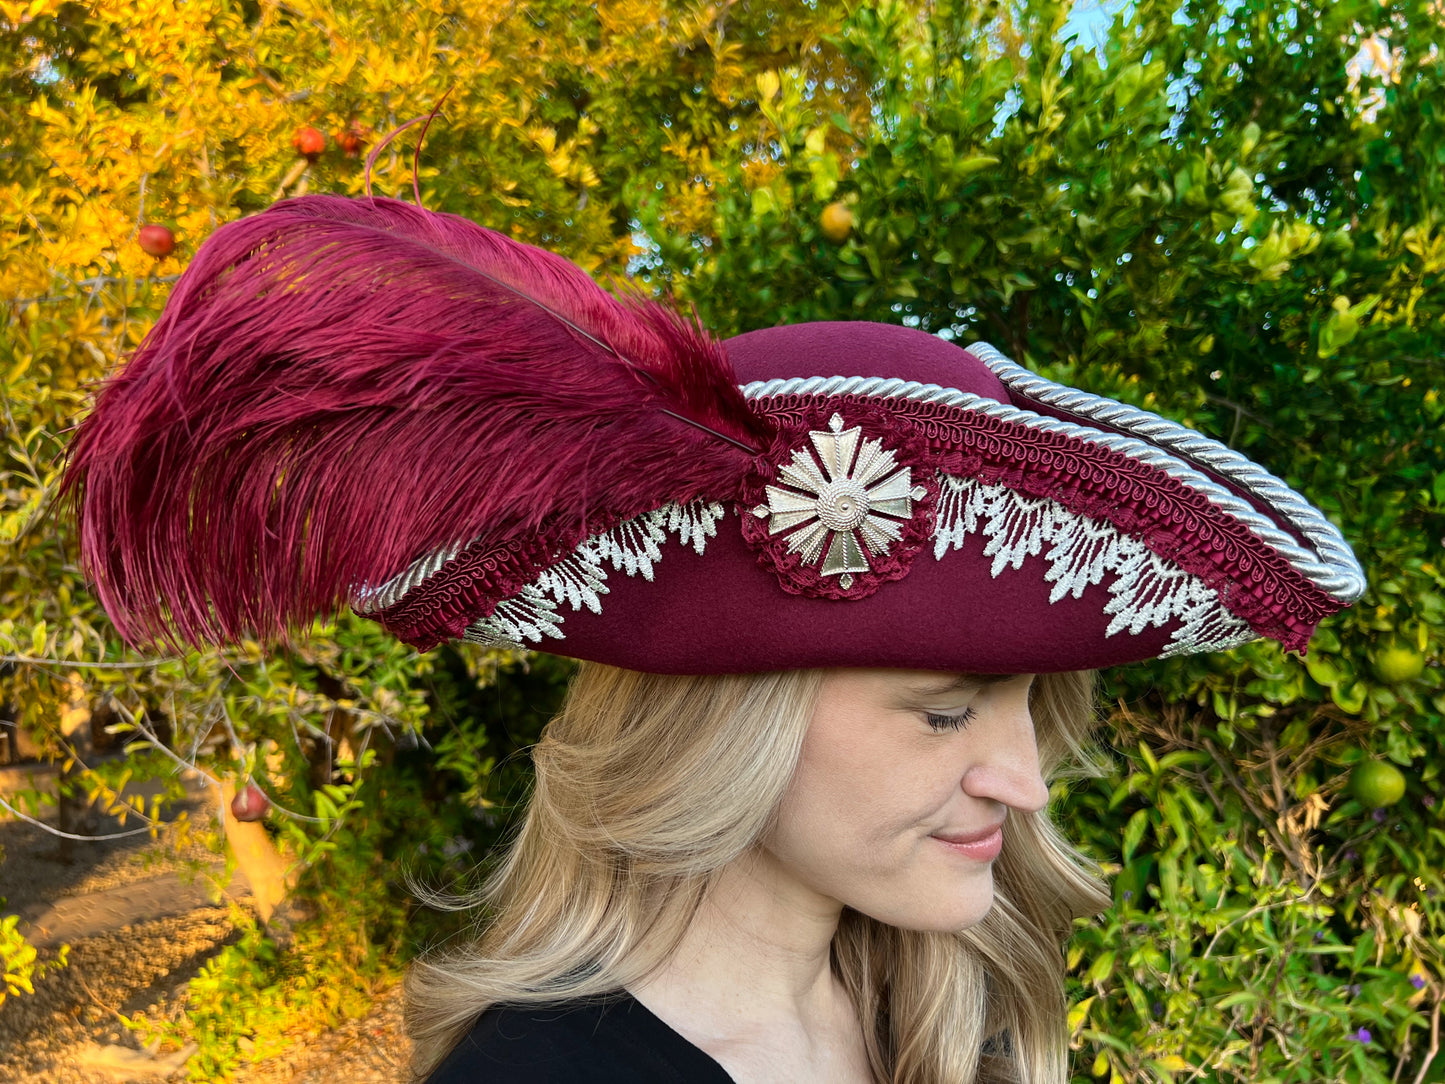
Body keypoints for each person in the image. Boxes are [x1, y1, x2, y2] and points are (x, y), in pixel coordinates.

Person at [64, 193, 1364, 1083]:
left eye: (1024, 703)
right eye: (945, 708)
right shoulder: (549, 1080)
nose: (1022, 781)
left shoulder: (927, 1006)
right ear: (727, 717)